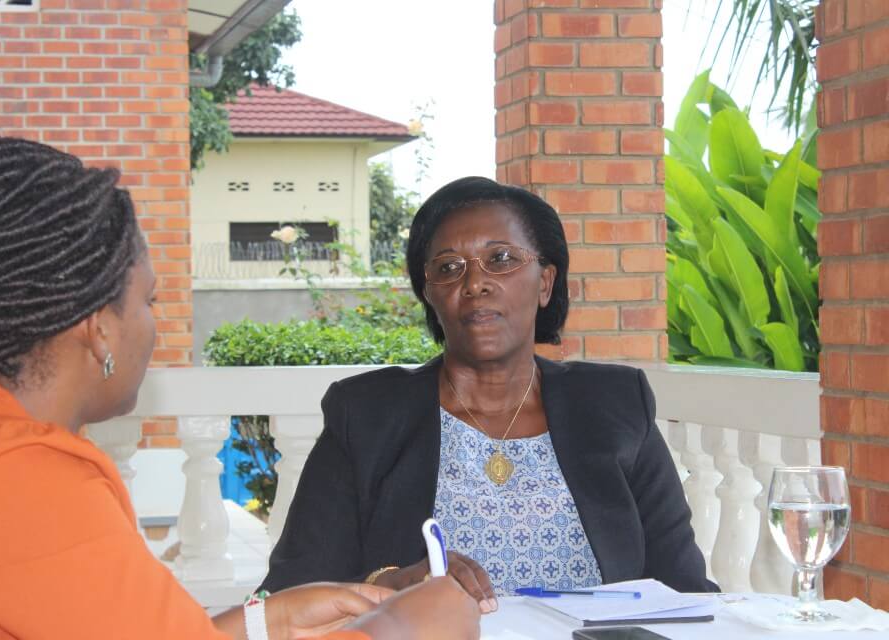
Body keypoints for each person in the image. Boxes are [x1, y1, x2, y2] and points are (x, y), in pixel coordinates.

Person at [0, 137, 481, 640]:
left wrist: (269, 621)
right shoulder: (24, 481)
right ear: (98, 328)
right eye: (148, 301)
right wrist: (400, 632)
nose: (156, 325)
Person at [262, 176, 716, 606]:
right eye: (449, 267)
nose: (474, 282)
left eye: (501, 259)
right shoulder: (365, 415)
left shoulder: (615, 403)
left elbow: (683, 585)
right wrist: (393, 582)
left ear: (545, 282)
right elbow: (291, 591)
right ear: (430, 295)